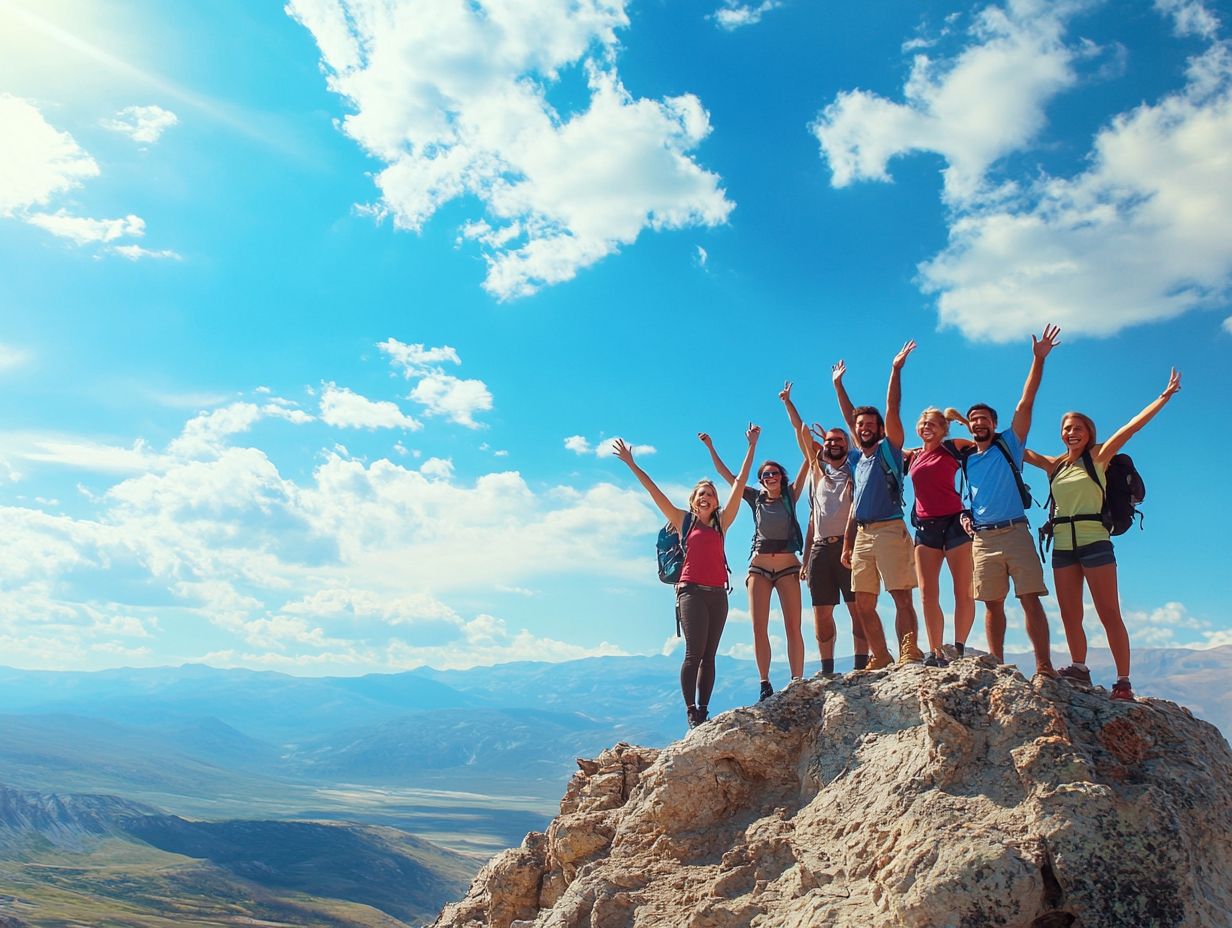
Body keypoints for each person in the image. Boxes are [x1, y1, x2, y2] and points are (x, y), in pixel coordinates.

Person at [1022, 369, 1182, 700]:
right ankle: (1079, 668)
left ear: (1089, 433)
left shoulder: (1099, 456)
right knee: (1070, 613)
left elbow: (1133, 427)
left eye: (1077, 428)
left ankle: (1123, 682)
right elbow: (1016, 445)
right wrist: (973, 428)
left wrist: (1163, 398)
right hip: (1063, 545)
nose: (1071, 433)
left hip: (1096, 541)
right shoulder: (1055, 466)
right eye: (1066, 429)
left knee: (1108, 611)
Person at [613, 427, 760, 729]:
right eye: (702, 494)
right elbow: (654, 491)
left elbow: (742, 481)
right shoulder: (683, 520)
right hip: (690, 591)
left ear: (717, 502)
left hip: (718, 592)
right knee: (693, 653)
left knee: (710, 656)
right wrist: (631, 463)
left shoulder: (723, 522)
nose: (707, 497)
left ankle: (703, 711)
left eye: (711, 494)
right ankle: (691, 710)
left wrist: (751, 446)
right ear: (693, 500)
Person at [957, 324, 1061, 680]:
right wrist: (965, 517)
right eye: (973, 420)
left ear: (994, 423)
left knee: (1030, 598)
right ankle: (998, 665)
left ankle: (1044, 667)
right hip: (983, 539)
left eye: (984, 418)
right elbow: (969, 497)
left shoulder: (1009, 443)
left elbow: (1026, 401)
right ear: (970, 427)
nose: (978, 423)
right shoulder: (968, 458)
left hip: (1016, 532)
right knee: (992, 604)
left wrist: (1038, 360)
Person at [700, 417, 809, 701]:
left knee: (792, 626)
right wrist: (713, 447)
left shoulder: (791, 495)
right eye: (765, 476)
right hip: (759, 567)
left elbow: (809, 460)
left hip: (787, 567)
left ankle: (797, 680)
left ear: (782, 477)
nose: (769, 478)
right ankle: (765, 683)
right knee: (758, 627)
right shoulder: (755, 498)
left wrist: (802, 433)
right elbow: (728, 476)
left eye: (774, 474)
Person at [833, 341, 923, 672]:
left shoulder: (890, 450)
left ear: (881, 429)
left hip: (889, 528)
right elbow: (848, 415)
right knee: (864, 603)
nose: (865, 427)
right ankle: (881, 655)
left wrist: (895, 370)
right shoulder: (857, 458)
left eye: (871, 424)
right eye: (860, 426)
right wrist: (838, 386)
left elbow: (893, 407)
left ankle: (909, 650)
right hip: (862, 534)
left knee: (901, 595)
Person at [779, 384, 868, 674]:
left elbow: (854, 428)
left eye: (839, 440)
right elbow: (800, 431)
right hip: (819, 549)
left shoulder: (856, 469)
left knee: (858, 608)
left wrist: (839, 386)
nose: (833, 443)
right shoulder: (818, 471)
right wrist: (788, 404)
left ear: (848, 444)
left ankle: (860, 666)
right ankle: (827, 669)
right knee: (821, 611)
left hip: (850, 545)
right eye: (830, 440)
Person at [903, 408, 976, 665]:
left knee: (963, 590)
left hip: (955, 522)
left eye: (933, 423)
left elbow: (983, 441)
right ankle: (935, 652)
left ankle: (958, 647)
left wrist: (962, 421)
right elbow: (879, 446)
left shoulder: (952, 447)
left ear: (944, 429)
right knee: (927, 593)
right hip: (925, 527)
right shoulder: (912, 456)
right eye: (923, 422)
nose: (927, 426)